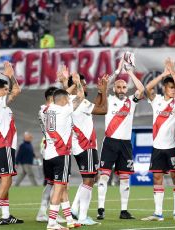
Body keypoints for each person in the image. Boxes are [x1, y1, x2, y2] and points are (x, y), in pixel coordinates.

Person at [56, 66, 108, 225]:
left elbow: (93, 107)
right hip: (86, 145)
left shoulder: (69, 101)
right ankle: (83, 216)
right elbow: (103, 109)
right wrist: (104, 91)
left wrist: (99, 93)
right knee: (89, 180)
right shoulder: (79, 101)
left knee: (90, 178)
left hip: (79, 145)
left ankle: (76, 210)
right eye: (82, 84)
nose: (85, 87)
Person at [97, 55, 145, 220]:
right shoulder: (108, 100)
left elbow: (141, 90)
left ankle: (124, 211)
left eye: (124, 87)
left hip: (125, 144)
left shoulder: (131, 102)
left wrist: (130, 73)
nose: (122, 89)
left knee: (125, 178)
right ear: (114, 89)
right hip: (110, 142)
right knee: (103, 176)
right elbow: (105, 85)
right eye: (119, 87)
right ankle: (100, 208)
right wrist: (118, 71)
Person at [142, 58, 175, 222]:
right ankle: (158, 212)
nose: (174, 90)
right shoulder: (157, 100)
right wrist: (164, 74)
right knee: (157, 178)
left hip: (173, 146)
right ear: (164, 88)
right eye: (171, 87)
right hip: (157, 147)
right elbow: (147, 88)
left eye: (174, 88)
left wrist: (173, 72)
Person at [43, 72, 84, 230]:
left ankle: (69, 220)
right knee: (59, 187)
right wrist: (78, 83)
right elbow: (80, 95)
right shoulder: (64, 110)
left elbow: (61, 96)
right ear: (64, 100)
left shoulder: (48, 109)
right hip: (61, 153)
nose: (69, 100)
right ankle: (52, 223)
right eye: (67, 99)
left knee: (63, 187)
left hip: (49, 153)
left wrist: (65, 84)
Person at [0, 62, 24, 225]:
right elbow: (17, 90)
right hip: (4, 144)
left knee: (4, 180)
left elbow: (15, 90)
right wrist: (10, 76)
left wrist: (10, 77)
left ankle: (6, 214)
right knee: (7, 180)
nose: (7, 90)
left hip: (0, 143)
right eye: (5, 88)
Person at [36, 86, 66, 225]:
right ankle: (53, 214)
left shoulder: (43, 109)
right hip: (55, 147)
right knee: (60, 183)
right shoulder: (47, 110)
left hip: (47, 147)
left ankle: (43, 212)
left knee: (51, 183)